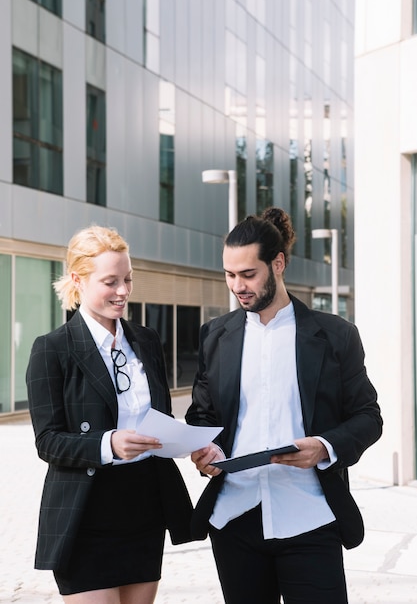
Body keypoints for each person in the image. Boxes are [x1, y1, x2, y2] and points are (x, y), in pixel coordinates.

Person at [186, 207, 383, 604]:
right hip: (234, 518)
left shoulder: (336, 336)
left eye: (248, 274)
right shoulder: (214, 336)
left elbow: (368, 417)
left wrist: (324, 447)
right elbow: (203, 416)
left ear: (277, 264)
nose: (237, 286)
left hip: (310, 517)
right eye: (229, 275)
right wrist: (205, 450)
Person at [26, 225, 193, 604]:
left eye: (128, 279)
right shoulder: (52, 349)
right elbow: (47, 440)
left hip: (144, 508)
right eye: (110, 281)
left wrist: (184, 441)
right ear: (77, 280)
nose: (123, 291)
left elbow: (160, 416)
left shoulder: (147, 341)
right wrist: (108, 443)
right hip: (85, 515)